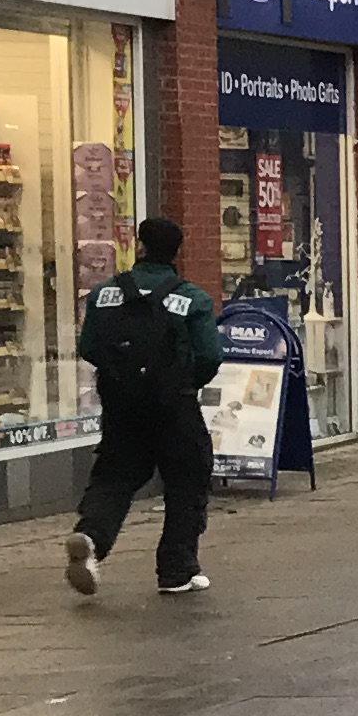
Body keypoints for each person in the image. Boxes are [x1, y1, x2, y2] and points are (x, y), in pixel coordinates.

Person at [67, 218, 221, 600]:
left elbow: (89, 347)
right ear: (176, 252)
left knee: (114, 476)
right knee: (187, 479)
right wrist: (183, 382)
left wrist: (122, 378)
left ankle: (91, 536)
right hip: (174, 407)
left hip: (121, 408)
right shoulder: (192, 299)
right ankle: (176, 569)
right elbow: (209, 356)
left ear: (139, 247)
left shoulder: (104, 294)